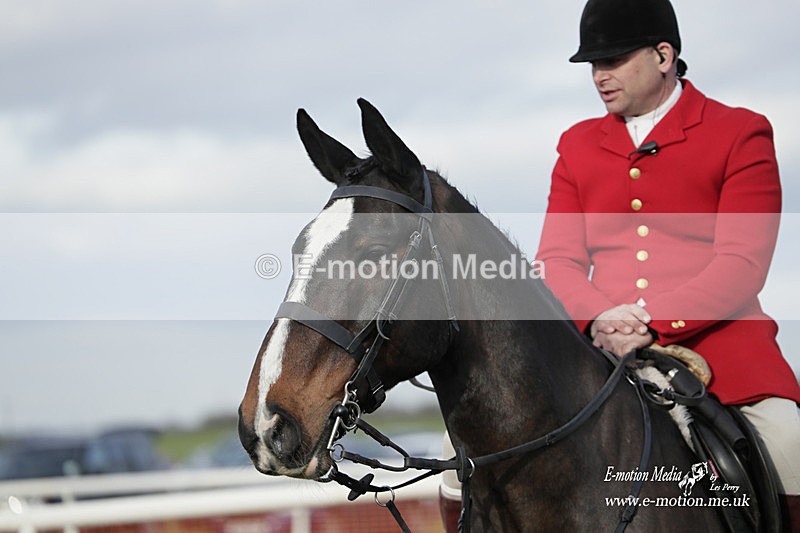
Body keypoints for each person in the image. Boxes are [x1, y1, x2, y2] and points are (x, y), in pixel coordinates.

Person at [536, 0, 800, 529]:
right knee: (468, 460)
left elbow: (742, 264)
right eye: (592, 64)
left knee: (790, 443)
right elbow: (556, 261)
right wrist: (601, 319)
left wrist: (650, 322)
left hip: (720, 353)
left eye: (611, 59)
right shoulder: (576, 146)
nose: (599, 76)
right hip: (601, 356)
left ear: (663, 56)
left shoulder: (740, 132)